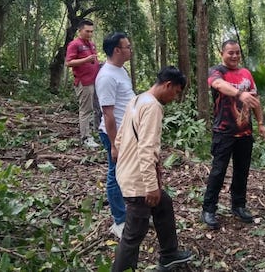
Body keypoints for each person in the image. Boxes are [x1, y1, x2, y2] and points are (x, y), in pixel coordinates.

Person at [111, 66, 193, 272]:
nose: (175, 97)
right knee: (133, 236)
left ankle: (169, 254)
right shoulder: (153, 107)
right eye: (176, 92)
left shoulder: (137, 100)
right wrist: (150, 186)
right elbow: (146, 149)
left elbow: (119, 139)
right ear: (168, 85)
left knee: (163, 203)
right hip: (138, 180)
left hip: (127, 172)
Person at [201, 40, 265, 230]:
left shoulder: (246, 73)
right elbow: (219, 85)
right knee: (218, 171)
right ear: (222, 53)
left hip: (245, 132)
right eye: (231, 53)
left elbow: (255, 99)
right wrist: (240, 94)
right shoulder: (217, 71)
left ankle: (238, 205)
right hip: (224, 132)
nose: (235, 56)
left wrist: (261, 123)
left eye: (238, 52)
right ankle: (209, 209)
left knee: (242, 171)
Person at [95, 32, 135, 238]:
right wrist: (114, 144)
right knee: (115, 175)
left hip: (128, 133)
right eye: (127, 47)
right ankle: (119, 221)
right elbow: (108, 114)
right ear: (117, 50)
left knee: (127, 174)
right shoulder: (106, 77)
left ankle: (132, 214)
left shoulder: (121, 70)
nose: (130, 49)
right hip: (116, 134)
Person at [65, 19, 101, 148]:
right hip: (83, 82)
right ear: (80, 30)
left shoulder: (91, 44)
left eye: (91, 31)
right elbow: (68, 62)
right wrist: (85, 59)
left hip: (94, 81)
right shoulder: (74, 45)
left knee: (95, 108)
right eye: (87, 31)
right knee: (86, 110)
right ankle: (85, 137)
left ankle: (95, 132)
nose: (90, 34)